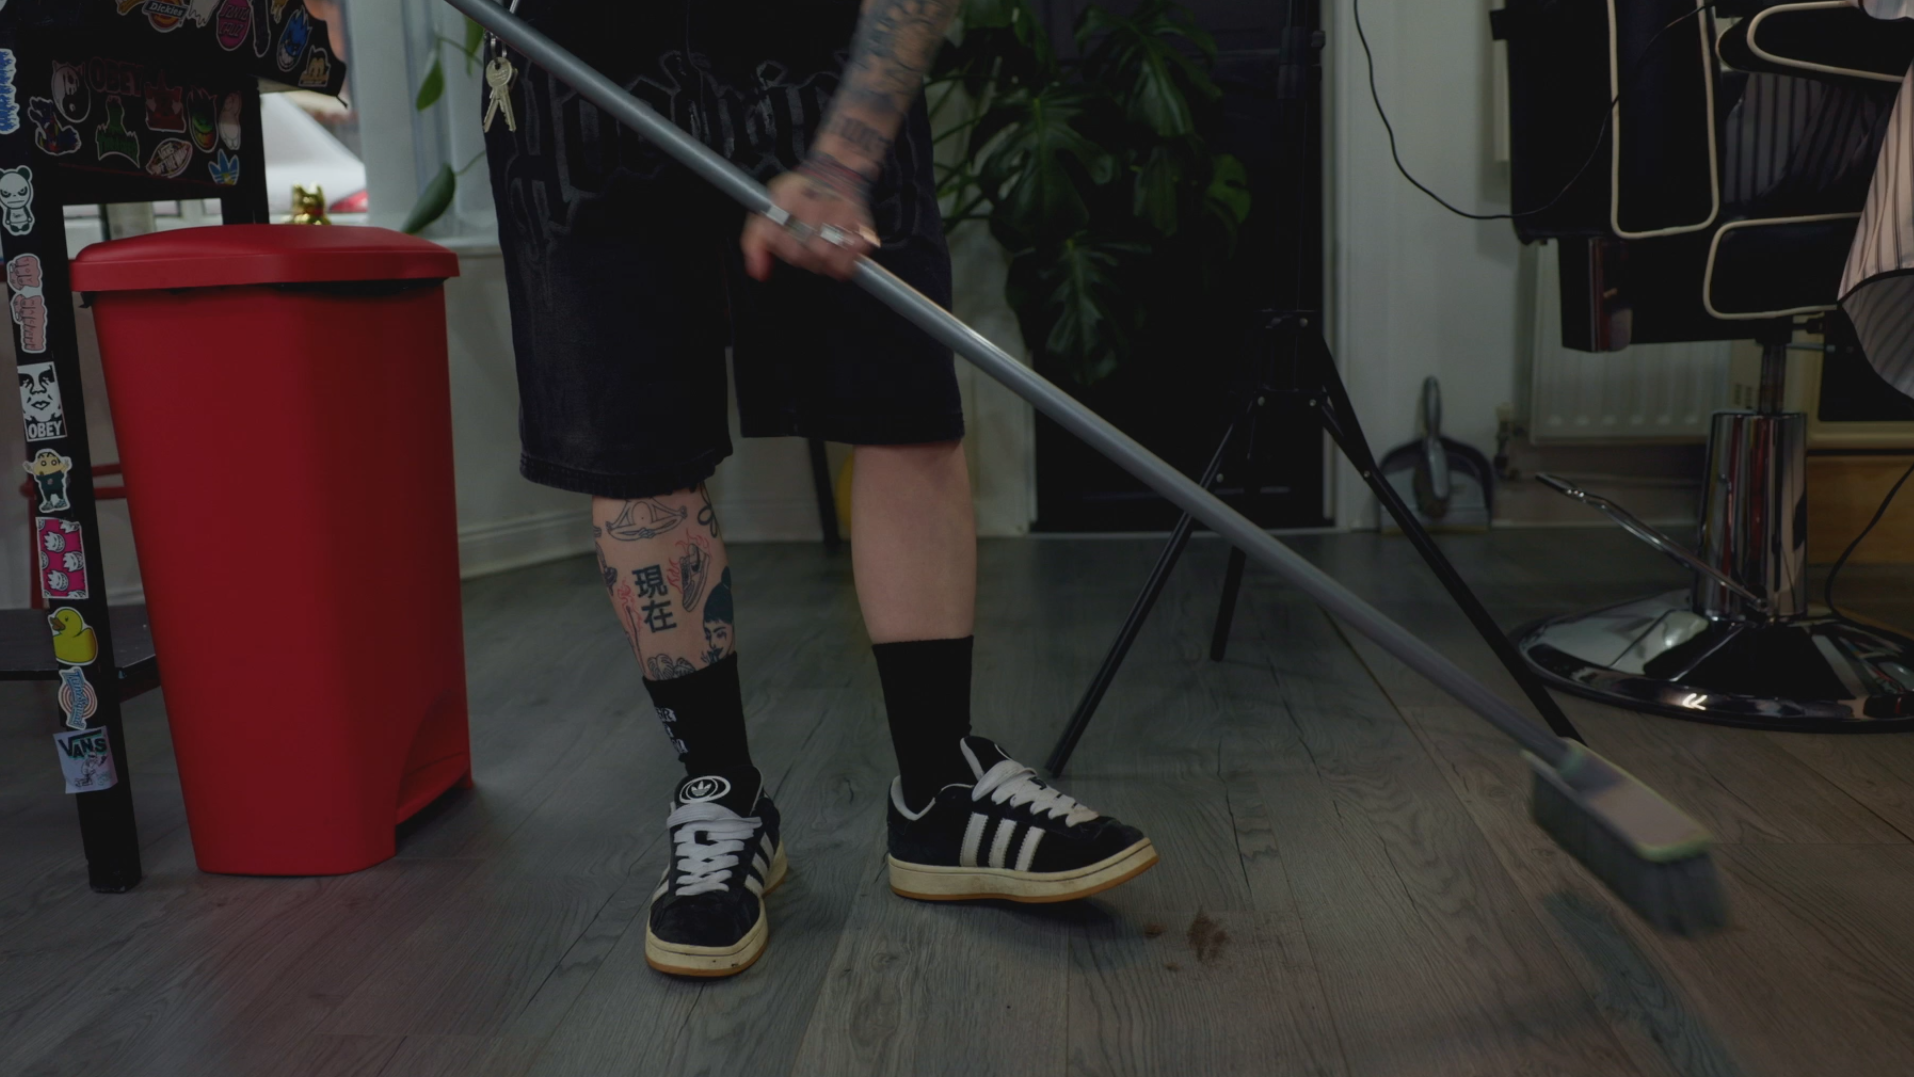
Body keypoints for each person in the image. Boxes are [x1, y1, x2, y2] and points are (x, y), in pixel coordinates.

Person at [481, 0, 1156, 978]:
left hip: (818, 53)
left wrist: (844, 162)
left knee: (899, 397)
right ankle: (722, 796)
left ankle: (938, 794)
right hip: (571, 64)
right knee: (635, 446)